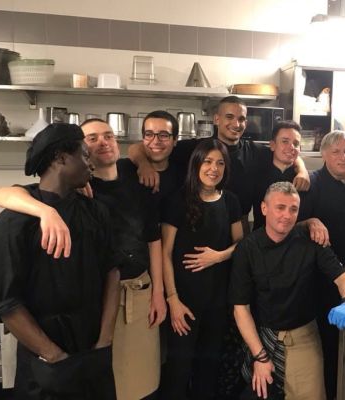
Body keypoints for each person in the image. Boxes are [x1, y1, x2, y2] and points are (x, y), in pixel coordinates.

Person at [0, 119, 167, 399]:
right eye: (85, 155)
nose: (90, 164)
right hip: (45, 356)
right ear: (61, 158)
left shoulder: (95, 212)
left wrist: (104, 340)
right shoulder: (13, 222)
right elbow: (6, 303)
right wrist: (53, 355)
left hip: (93, 343)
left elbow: (111, 270)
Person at [229, 182, 345, 400]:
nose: (287, 215)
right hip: (262, 338)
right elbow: (241, 309)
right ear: (264, 208)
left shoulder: (311, 240)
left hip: (304, 338)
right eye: (280, 207)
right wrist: (260, 357)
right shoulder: (247, 248)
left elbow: (344, 279)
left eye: (293, 209)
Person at [128, 97, 310, 227]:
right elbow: (137, 148)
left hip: (240, 225)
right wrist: (144, 165)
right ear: (217, 119)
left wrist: (302, 170)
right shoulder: (197, 147)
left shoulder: (254, 151)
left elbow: (288, 151)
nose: (236, 124)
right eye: (229, 117)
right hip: (199, 223)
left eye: (241, 119)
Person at [159, 139, 244, 399]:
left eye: (220, 163)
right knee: (178, 370)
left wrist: (218, 257)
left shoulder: (230, 201)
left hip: (217, 302)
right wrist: (172, 300)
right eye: (207, 161)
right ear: (196, 164)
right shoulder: (178, 200)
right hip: (183, 302)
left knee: (208, 371)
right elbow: (165, 253)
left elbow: (241, 245)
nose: (213, 169)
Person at [297, 130, 345, 399]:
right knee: (329, 345)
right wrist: (310, 222)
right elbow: (293, 226)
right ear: (324, 155)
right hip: (322, 280)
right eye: (335, 152)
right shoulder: (312, 183)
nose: (343, 157)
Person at [252, 120, 301, 230]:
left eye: (296, 143)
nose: (292, 147)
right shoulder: (256, 176)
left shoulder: (303, 180)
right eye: (285, 141)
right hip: (260, 237)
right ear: (273, 145)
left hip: (295, 238)